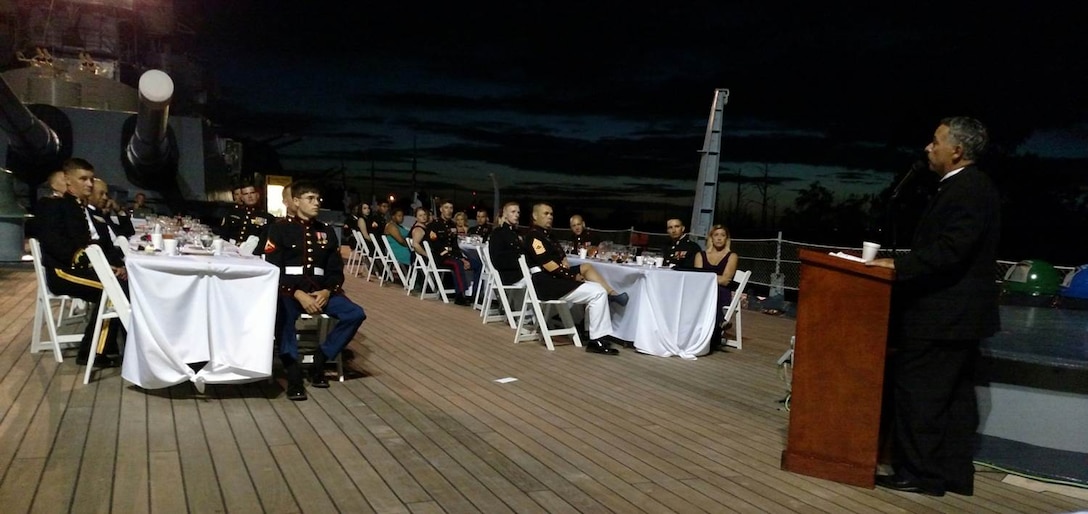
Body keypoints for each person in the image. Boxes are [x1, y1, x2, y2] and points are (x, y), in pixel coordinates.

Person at [867, 117, 1000, 497]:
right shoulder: (969, 187)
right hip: (957, 316)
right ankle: (952, 474)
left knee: (920, 392)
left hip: (942, 315)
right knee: (955, 398)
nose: (928, 147)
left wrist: (898, 264)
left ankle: (920, 473)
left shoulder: (967, 189)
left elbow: (952, 250)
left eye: (935, 141)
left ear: (956, 150)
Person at [265, 181, 366, 401]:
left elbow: (335, 269)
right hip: (289, 291)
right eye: (310, 198)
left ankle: (320, 360)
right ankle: (293, 376)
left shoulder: (326, 231)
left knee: (355, 313)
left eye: (318, 199)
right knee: (285, 319)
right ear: (296, 201)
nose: (316, 203)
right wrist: (297, 294)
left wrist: (328, 291)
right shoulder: (280, 228)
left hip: (320, 291)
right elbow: (273, 268)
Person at [34, 158, 127, 366]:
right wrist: (99, 267)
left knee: (121, 283)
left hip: (79, 269)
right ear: (67, 180)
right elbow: (59, 247)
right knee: (113, 290)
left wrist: (113, 267)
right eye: (83, 179)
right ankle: (94, 353)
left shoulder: (77, 207)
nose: (90, 184)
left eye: (91, 179)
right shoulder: (52, 205)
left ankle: (116, 343)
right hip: (62, 272)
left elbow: (93, 244)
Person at [523, 202, 619, 355]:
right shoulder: (534, 236)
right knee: (598, 292)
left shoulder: (549, 236)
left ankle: (592, 334)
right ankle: (596, 338)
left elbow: (562, 258)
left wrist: (567, 267)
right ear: (535, 216)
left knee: (597, 289)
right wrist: (572, 276)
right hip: (546, 283)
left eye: (551, 214)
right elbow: (548, 265)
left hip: (554, 279)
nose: (550, 217)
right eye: (545, 214)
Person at [693, 224, 740, 352]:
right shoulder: (700, 255)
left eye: (722, 235)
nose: (719, 238)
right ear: (711, 238)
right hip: (702, 292)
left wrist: (707, 278)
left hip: (721, 292)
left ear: (727, 239)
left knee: (715, 291)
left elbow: (725, 280)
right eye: (716, 235)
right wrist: (714, 278)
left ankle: (718, 325)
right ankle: (721, 321)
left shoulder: (732, 256)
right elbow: (697, 277)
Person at [425, 200, 474, 305]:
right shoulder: (434, 225)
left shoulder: (452, 225)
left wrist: (462, 257)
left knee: (464, 262)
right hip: (440, 257)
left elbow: (454, 245)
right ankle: (460, 295)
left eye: (451, 208)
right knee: (457, 264)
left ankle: (470, 294)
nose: (449, 211)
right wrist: (456, 258)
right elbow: (436, 246)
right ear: (441, 209)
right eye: (446, 208)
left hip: (450, 256)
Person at [220, 181, 275, 251]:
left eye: (252, 193)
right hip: (230, 250)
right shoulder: (233, 213)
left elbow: (266, 240)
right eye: (246, 194)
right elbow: (224, 233)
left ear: (257, 195)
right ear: (242, 197)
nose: (249, 196)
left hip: (252, 253)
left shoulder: (267, 217)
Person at [488, 202, 523, 285]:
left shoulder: (515, 233)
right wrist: (521, 261)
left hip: (520, 272)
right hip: (510, 276)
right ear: (505, 214)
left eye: (518, 212)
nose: (517, 215)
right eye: (513, 212)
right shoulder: (498, 233)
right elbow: (498, 259)